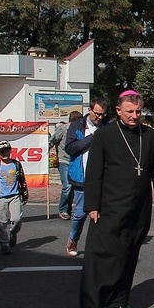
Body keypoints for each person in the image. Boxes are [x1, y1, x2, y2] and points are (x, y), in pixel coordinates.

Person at [80, 90, 154, 308]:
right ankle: (111, 301)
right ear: (118, 111)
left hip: (139, 207)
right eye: (130, 111)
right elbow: (94, 172)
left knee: (129, 255)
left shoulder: (149, 136)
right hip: (110, 207)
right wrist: (92, 204)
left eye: (138, 111)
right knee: (110, 256)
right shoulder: (105, 135)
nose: (134, 116)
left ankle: (122, 302)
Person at [65, 98, 108, 257]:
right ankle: (73, 238)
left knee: (102, 212)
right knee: (80, 213)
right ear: (90, 110)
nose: (100, 118)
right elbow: (70, 148)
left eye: (102, 114)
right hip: (82, 176)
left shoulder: (107, 125)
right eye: (97, 114)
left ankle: (98, 244)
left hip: (103, 177)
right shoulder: (77, 126)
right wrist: (93, 138)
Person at [0, 141, 29, 255]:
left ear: (10, 151)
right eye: (2, 151)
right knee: (1, 222)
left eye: (7, 150)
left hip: (15, 196)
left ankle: (13, 233)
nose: (5, 153)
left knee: (16, 219)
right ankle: (4, 244)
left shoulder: (16, 164)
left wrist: (25, 194)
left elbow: (22, 180)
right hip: (1, 197)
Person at [51, 111, 82, 220]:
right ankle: (63, 209)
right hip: (64, 160)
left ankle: (68, 209)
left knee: (73, 186)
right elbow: (53, 140)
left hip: (74, 161)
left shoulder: (79, 130)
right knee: (67, 186)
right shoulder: (63, 128)